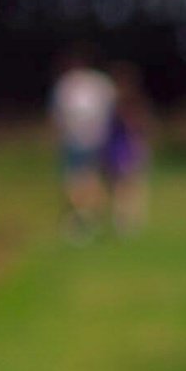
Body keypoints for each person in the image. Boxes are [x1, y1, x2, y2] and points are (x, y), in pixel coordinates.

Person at [49, 50, 116, 238]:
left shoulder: (87, 83)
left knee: (84, 180)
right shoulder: (69, 84)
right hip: (77, 139)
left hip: (93, 139)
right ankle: (83, 217)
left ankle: (86, 217)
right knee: (79, 180)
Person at [100, 62, 153, 235]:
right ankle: (125, 222)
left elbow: (136, 128)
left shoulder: (127, 103)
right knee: (123, 187)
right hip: (118, 149)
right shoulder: (116, 103)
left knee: (127, 187)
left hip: (127, 149)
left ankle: (127, 223)